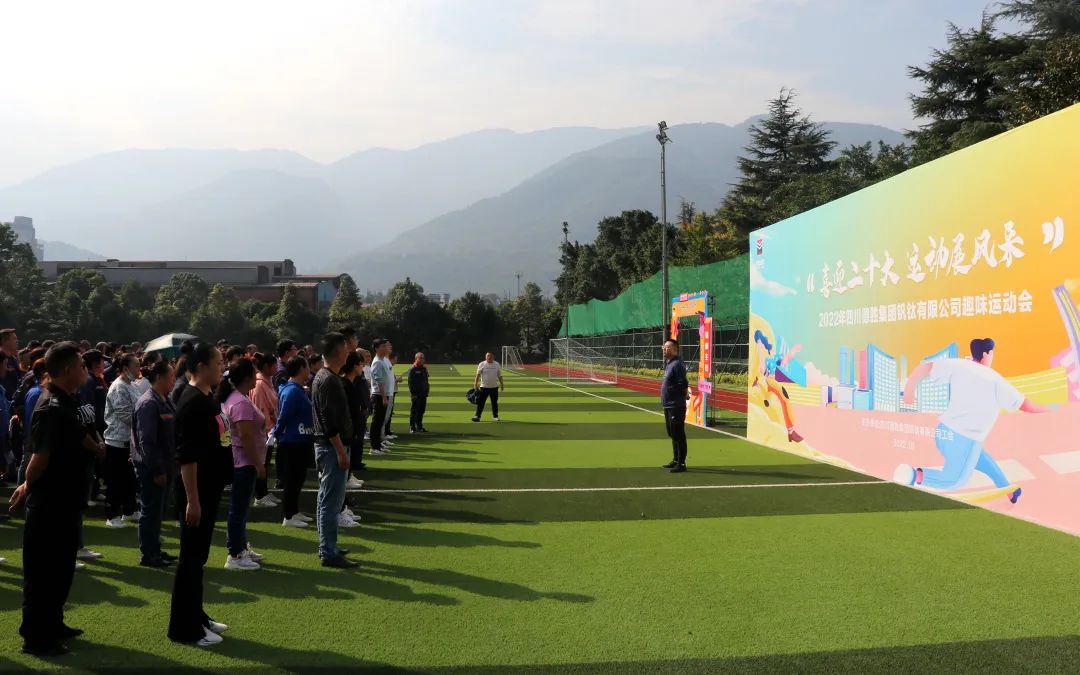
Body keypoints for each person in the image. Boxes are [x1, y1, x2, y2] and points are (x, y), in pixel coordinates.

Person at [894, 337, 1053, 503]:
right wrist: (1051, 408)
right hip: (965, 439)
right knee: (955, 480)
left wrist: (909, 390)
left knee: (982, 459)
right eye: (992, 353)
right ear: (986, 354)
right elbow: (1027, 406)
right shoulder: (995, 380)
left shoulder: (959, 365)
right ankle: (913, 475)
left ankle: (1009, 491)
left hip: (943, 433)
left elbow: (925, 368)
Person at [9, 342, 92, 656]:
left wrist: (96, 449)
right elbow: (40, 457)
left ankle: (53, 624)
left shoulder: (68, 400)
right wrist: (25, 487)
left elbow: (78, 435)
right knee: (43, 573)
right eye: (81, 366)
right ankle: (36, 637)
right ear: (68, 370)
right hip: (50, 502)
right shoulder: (51, 406)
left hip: (67, 498)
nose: (85, 371)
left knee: (61, 570)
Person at [168, 343, 233, 647]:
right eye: (218, 362)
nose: (222, 367)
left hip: (209, 488)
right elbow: (187, 456)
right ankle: (185, 628)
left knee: (199, 558)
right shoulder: (192, 402)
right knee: (191, 559)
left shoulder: (208, 397)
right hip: (197, 493)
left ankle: (197, 616)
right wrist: (192, 500)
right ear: (201, 366)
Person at [311, 332, 358, 568]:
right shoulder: (329, 380)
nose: (349, 352)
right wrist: (340, 451)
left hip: (327, 447)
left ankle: (327, 546)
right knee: (331, 502)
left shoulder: (324, 376)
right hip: (331, 448)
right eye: (346, 348)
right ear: (339, 352)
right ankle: (328, 551)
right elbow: (329, 421)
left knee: (325, 499)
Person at [219, 359, 266, 571]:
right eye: (254, 373)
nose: (257, 377)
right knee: (238, 509)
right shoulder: (240, 402)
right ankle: (235, 554)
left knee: (241, 508)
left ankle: (241, 546)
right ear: (247, 377)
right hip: (244, 462)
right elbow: (245, 436)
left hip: (241, 460)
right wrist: (258, 464)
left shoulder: (237, 398)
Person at [131, 361, 178, 568]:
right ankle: (149, 554)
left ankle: (155, 549)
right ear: (158, 377)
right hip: (152, 468)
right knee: (150, 511)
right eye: (171, 376)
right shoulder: (148, 403)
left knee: (158, 511)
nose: (174, 381)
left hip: (166, 465)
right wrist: (157, 470)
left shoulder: (165, 400)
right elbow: (147, 441)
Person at [273, 356, 313, 528]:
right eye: (307, 367)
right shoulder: (292, 391)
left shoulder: (295, 389)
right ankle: (288, 515)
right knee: (293, 479)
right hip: (293, 441)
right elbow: (284, 415)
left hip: (299, 440)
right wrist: (276, 433)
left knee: (298, 478)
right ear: (301, 368)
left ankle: (294, 511)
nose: (309, 370)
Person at [103, 353, 141, 527]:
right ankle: (112, 516)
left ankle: (129, 510)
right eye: (136, 366)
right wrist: (144, 423)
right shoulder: (119, 387)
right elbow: (124, 413)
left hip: (129, 440)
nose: (139, 369)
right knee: (116, 480)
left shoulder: (131, 385)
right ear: (125, 368)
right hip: (117, 441)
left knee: (129, 479)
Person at [250, 353, 281, 508]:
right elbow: (260, 409)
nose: (277, 367)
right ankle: (260, 495)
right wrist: (268, 431)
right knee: (261, 463)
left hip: (269, 429)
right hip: (263, 431)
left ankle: (264, 491)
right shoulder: (259, 384)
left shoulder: (267, 382)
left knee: (266, 463)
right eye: (274, 364)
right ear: (267, 366)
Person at [338, 351, 365, 526]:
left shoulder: (350, 384)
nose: (363, 367)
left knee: (343, 477)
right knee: (338, 478)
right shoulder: (344, 385)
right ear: (354, 366)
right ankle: (339, 512)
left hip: (349, 434)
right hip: (343, 436)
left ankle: (342, 508)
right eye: (361, 364)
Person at [660, 339, 691, 473]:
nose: (664, 349)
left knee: (678, 434)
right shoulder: (669, 363)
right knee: (672, 433)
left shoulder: (677, 364)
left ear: (674, 349)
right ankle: (676, 459)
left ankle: (682, 463)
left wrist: (684, 394)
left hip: (676, 405)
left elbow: (683, 383)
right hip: (668, 405)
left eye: (666, 347)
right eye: (663, 347)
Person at [369, 339, 393, 456]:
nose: (385, 348)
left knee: (380, 422)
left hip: (383, 395)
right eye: (383, 346)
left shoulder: (383, 360)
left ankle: (378, 445)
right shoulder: (377, 362)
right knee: (377, 422)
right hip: (379, 395)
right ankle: (374, 448)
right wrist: (384, 397)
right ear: (377, 348)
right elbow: (379, 381)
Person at [472, 352, 504, 422]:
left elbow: (499, 375)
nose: (489, 357)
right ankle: (477, 416)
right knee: (481, 403)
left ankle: (495, 416)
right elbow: (478, 375)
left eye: (490, 356)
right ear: (485, 357)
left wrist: (502, 384)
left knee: (494, 403)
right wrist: (475, 384)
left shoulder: (497, 364)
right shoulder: (482, 364)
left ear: (493, 357)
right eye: (487, 356)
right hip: (483, 387)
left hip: (494, 387)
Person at [408, 352, 430, 433]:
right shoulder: (412, 369)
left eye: (423, 358)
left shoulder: (424, 369)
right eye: (420, 358)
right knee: (414, 411)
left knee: (421, 411)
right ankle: (412, 427)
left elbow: (426, 381)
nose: (422, 359)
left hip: (423, 394)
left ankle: (419, 426)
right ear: (416, 359)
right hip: (416, 394)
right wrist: (413, 394)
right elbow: (410, 384)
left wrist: (427, 390)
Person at [1, 328, 22, 400]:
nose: (17, 341)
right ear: (4, 341)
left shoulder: (13, 358)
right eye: (14, 339)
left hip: (15, 401)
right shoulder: (1, 359)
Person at [383, 353, 400, 439]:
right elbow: (388, 380)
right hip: (389, 392)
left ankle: (387, 431)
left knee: (389, 413)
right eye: (395, 359)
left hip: (391, 392)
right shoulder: (386, 366)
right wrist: (397, 380)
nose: (396, 361)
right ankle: (385, 432)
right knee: (387, 414)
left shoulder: (389, 366)